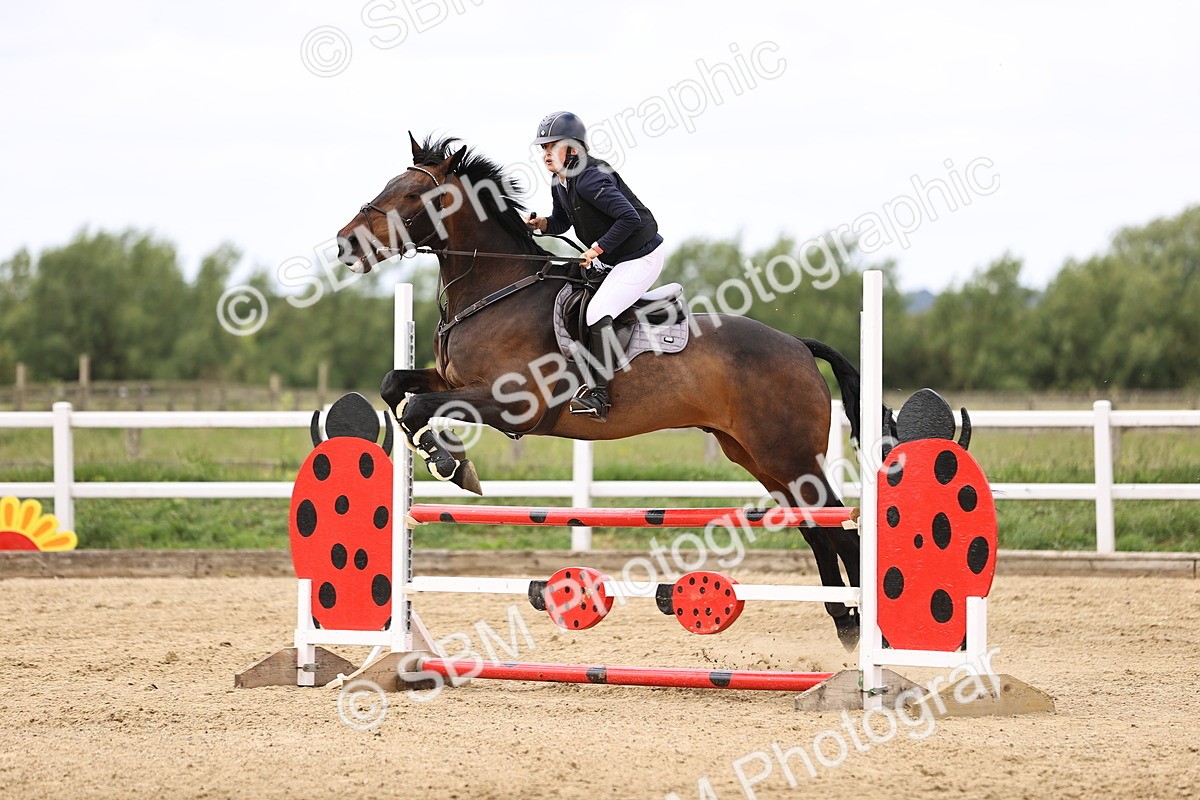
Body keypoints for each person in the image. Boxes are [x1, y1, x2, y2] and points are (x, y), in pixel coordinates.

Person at [526, 111, 664, 422]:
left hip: (640, 257)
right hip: (614, 259)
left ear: (573, 148)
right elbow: (562, 221)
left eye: (553, 146)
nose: (545, 153)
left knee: (597, 312)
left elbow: (629, 218)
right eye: (544, 147)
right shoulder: (560, 180)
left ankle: (600, 397)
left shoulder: (590, 178)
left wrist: (596, 249)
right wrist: (542, 224)